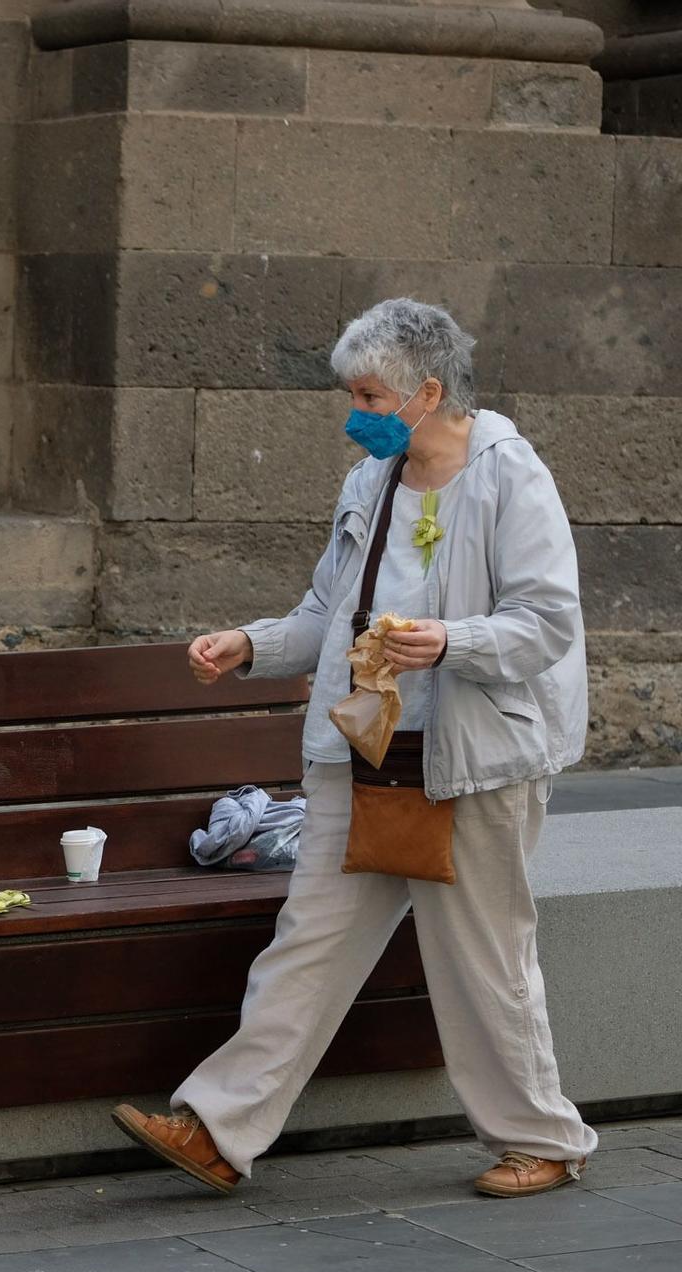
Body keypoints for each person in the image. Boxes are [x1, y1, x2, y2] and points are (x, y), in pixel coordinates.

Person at [112, 298, 597, 1201]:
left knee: (482, 954)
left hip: (473, 757)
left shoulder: (509, 478)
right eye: (354, 395)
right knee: (310, 941)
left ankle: (543, 1138)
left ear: (428, 392)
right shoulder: (368, 484)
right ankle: (219, 1127)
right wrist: (251, 645)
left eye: (372, 395)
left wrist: (451, 642)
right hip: (366, 748)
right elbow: (324, 614)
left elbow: (547, 625)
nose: (357, 413)